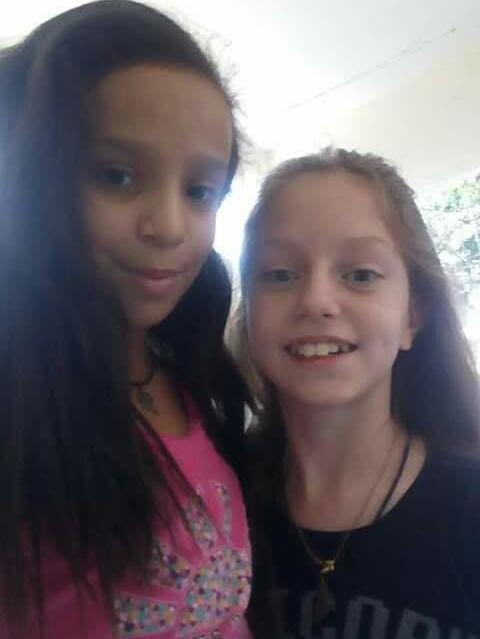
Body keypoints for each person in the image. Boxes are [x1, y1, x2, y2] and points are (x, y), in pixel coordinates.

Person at [0, 2, 253, 637]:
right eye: (117, 176)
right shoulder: (18, 406)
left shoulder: (194, 377)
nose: (168, 227)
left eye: (199, 191)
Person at [233, 148, 480, 639]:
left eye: (360, 274)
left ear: (413, 315)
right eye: (280, 274)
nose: (316, 301)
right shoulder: (210, 502)